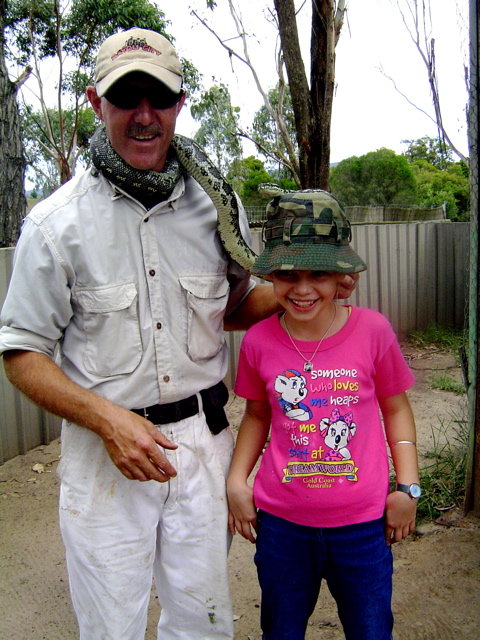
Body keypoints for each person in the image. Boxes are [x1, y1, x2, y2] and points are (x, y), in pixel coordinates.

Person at [0, 27, 356, 640]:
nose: (144, 115)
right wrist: (107, 421)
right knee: (111, 625)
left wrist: (310, 288)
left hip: (203, 442)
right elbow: (22, 351)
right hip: (103, 451)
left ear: (179, 102)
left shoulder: (215, 208)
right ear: (96, 102)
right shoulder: (56, 224)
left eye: (158, 97)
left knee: (203, 621)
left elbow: (236, 304)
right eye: (126, 97)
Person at [227, 191, 420, 640]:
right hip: (283, 530)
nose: (302, 288)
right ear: (272, 275)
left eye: (318, 274)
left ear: (341, 276)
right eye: (288, 275)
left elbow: (396, 408)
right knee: (281, 629)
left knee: (371, 631)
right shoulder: (257, 341)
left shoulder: (373, 331)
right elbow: (257, 416)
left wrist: (408, 485)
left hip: (363, 528)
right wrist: (237, 481)